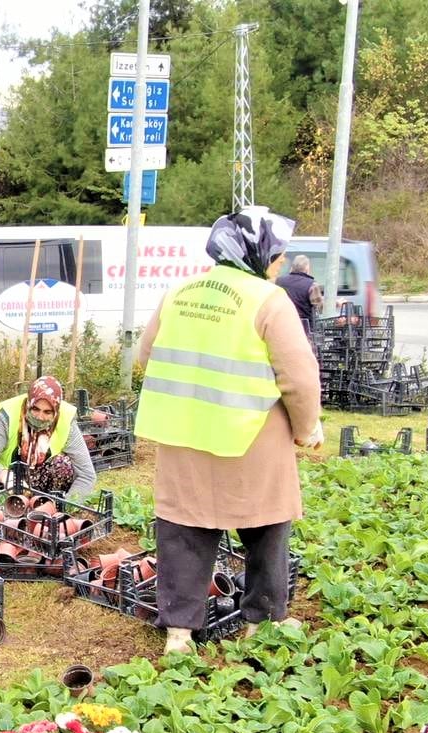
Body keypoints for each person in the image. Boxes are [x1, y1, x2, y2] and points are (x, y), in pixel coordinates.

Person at [134, 206, 324, 655]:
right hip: (250, 437)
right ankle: (263, 621)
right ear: (257, 255)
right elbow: (298, 379)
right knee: (266, 527)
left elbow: (146, 356)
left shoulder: (179, 292)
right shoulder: (267, 300)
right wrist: (305, 428)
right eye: (277, 256)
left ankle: (179, 633)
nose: (278, 265)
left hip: (183, 435)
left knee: (183, 530)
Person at [0, 375, 97, 498]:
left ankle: (42, 506)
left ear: (56, 410)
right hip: (4, 481)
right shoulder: (9, 413)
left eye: (47, 412)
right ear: (28, 403)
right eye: (35, 409)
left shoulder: (66, 420)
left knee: (63, 465)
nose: (40, 416)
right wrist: (6, 477)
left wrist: (65, 507)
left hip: (41, 486)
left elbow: (87, 475)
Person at [274, 254, 322, 333]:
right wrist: (336, 304)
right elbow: (320, 307)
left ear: (292, 268)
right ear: (307, 268)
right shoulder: (312, 285)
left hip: (282, 324)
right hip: (304, 328)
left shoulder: (278, 281)